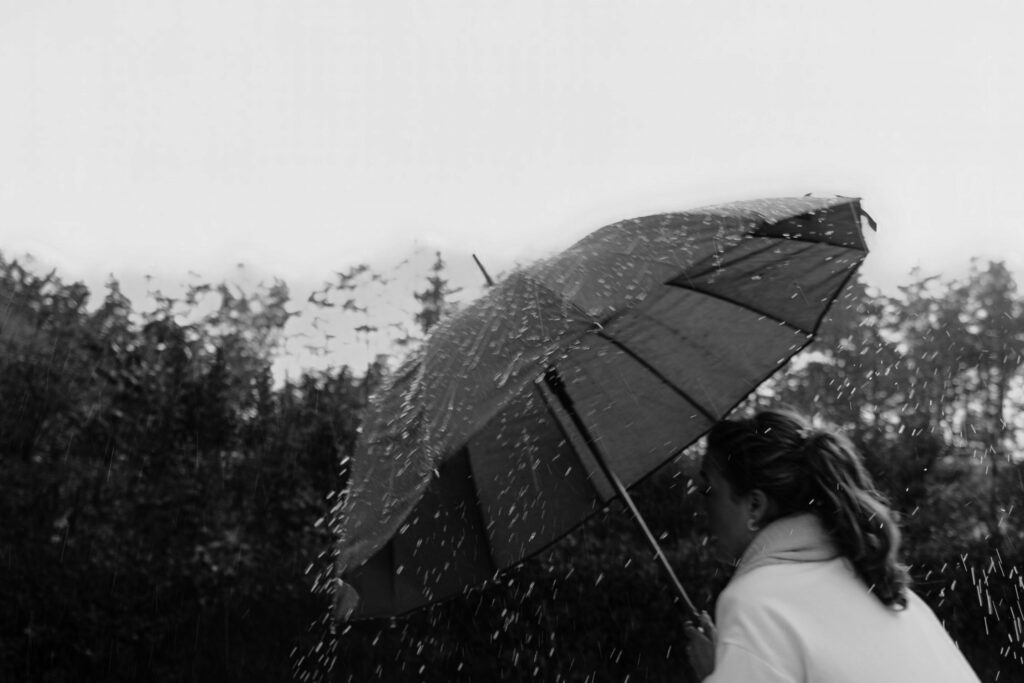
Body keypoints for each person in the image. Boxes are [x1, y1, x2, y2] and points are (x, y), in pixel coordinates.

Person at [683, 408, 981, 682]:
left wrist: (718, 672)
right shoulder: (892, 592)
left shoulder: (755, 601)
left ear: (755, 506)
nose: (700, 504)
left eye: (708, 489)